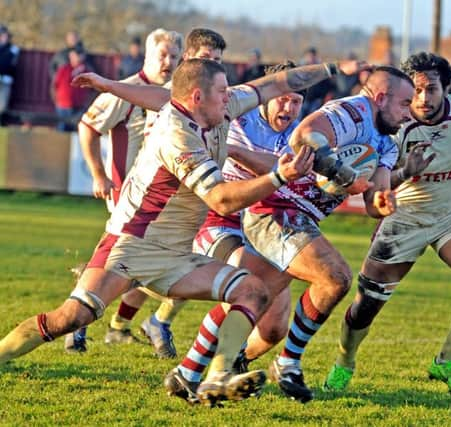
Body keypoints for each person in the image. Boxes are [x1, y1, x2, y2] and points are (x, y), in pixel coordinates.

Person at [0, 57, 333, 406]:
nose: (229, 98)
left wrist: (331, 70)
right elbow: (221, 200)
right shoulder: (178, 136)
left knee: (253, 291)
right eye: (221, 92)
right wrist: (280, 177)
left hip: (176, 255)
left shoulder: (216, 106)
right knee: (71, 318)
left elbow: (274, 84)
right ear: (196, 97)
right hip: (131, 247)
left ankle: (216, 379)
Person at [167, 65, 426, 405]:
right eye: (406, 103)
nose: (410, 113)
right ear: (380, 98)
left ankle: (186, 371)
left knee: (254, 297)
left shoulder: (390, 144)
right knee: (335, 278)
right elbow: (304, 134)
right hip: (276, 209)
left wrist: (384, 198)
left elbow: (372, 202)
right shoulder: (353, 112)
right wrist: (340, 172)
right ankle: (288, 363)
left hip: (300, 216)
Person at [323, 52, 451, 397]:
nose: (423, 99)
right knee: (366, 306)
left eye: (431, 89)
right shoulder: (395, 124)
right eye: (416, 90)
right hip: (405, 217)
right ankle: (344, 361)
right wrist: (404, 173)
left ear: (446, 89)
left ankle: (445, 360)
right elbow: (376, 194)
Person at [65, 28, 183, 355]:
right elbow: (87, 127)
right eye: (162, 55)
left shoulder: (179, 96)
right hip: (128, 196)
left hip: (163, 200)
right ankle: (77, 326)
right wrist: (98, 174)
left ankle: (115, 326)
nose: (168, 62)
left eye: (175, 56)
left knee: (146, 265)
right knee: (124, 266)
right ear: (147, 56)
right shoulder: (125, 91)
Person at [52, 48, 93, 131]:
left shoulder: (86, 71)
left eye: (76, 55)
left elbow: (92, 89)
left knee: (76, 130)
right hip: (63, 106)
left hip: (78, 107)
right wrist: (56, 101)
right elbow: (54, 85)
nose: (74, 58)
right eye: (72, 55)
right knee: (62, 128)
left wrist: (86, 104)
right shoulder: (63, 69)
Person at [300, 46, 334, 117]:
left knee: (312, 116)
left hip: (316, 99)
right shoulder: (301, 69)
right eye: (309, 56)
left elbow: (328, 85)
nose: (311, 58)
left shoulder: (321, 70)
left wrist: (324, 96)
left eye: (312, 56)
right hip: (303, 99)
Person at [0, 24, 19, 123]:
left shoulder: (13, 48)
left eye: (5, 35)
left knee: (2, 107)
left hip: (6, 80)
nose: (3, 37)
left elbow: (8, 62)